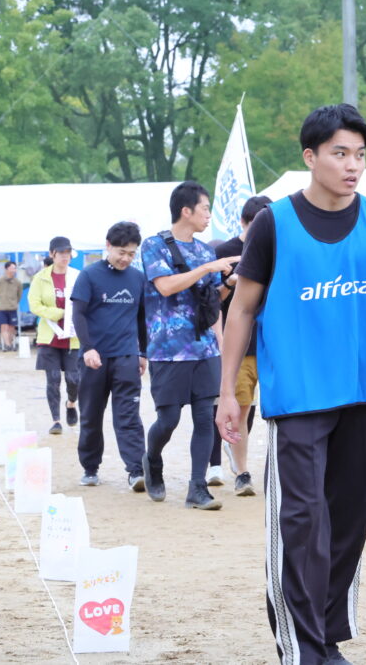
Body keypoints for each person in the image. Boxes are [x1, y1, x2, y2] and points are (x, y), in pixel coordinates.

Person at [216, 103, 366, 664]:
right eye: (340, 153)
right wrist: (226, 392)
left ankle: (327, 635)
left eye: (360, 155)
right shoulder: (274, 224)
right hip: (298, 399)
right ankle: (301, 647)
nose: (352, 165)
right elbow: (241, 310)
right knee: (301, 523)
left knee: (349, 520)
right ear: (310, 157)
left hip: (365, 394)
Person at [140, 181, 240, 510]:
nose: (209, 215)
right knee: (168, 420)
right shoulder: (154, 245)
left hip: (204, 348)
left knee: (204, 417)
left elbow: (212, 300)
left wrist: (229, 282)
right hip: (168, 349)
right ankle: (152, 460)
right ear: (186, 211)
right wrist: (206, 268)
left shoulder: (205, 251)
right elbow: (166, 287)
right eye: (205, 208)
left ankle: (197, 488)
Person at [71, 222, 148, 489]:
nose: (126, 258)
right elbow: (78, 315)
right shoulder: (89, 275)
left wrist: (143, 352)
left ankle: (137, 470)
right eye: (121, 252)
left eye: (131, 253)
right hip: (94, 358)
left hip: (126, 356)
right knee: (91, 415)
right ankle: (90, 467)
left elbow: (142, 318)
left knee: (128, 416)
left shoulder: (138, 278)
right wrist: (88, 347)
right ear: (108, 246)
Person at [207, 194, 272, 495]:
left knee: (277, 410)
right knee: (239, 410)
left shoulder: (278, 249)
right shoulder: (224, 253)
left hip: (272, 344)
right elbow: (211, 303)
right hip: (240, 347)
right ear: (244, 222)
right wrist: (221, 339)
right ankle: (242, 471)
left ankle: (270, 470)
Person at [28, 237, 81, 435]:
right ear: (52, 254)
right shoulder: (40, 278)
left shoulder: (77, 276)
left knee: (74, 379)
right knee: (53, 378)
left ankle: (71, 403)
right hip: (49, 336)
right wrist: (58, 313)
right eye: (61, 253)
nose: (65, 257)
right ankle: (56, 420)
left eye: (68, 253)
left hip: (73, 336)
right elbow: (34, 305)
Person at [0, 261, 23, 352]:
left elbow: (19, 295)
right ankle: (7, 345)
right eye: (12, 268)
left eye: (15, 268)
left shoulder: (18, 282)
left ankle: (11, 343)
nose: (14, 270)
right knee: (4, 326)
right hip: (1, 308)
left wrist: (14, 302)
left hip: (12, 308)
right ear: (6, 269)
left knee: (12, 327)